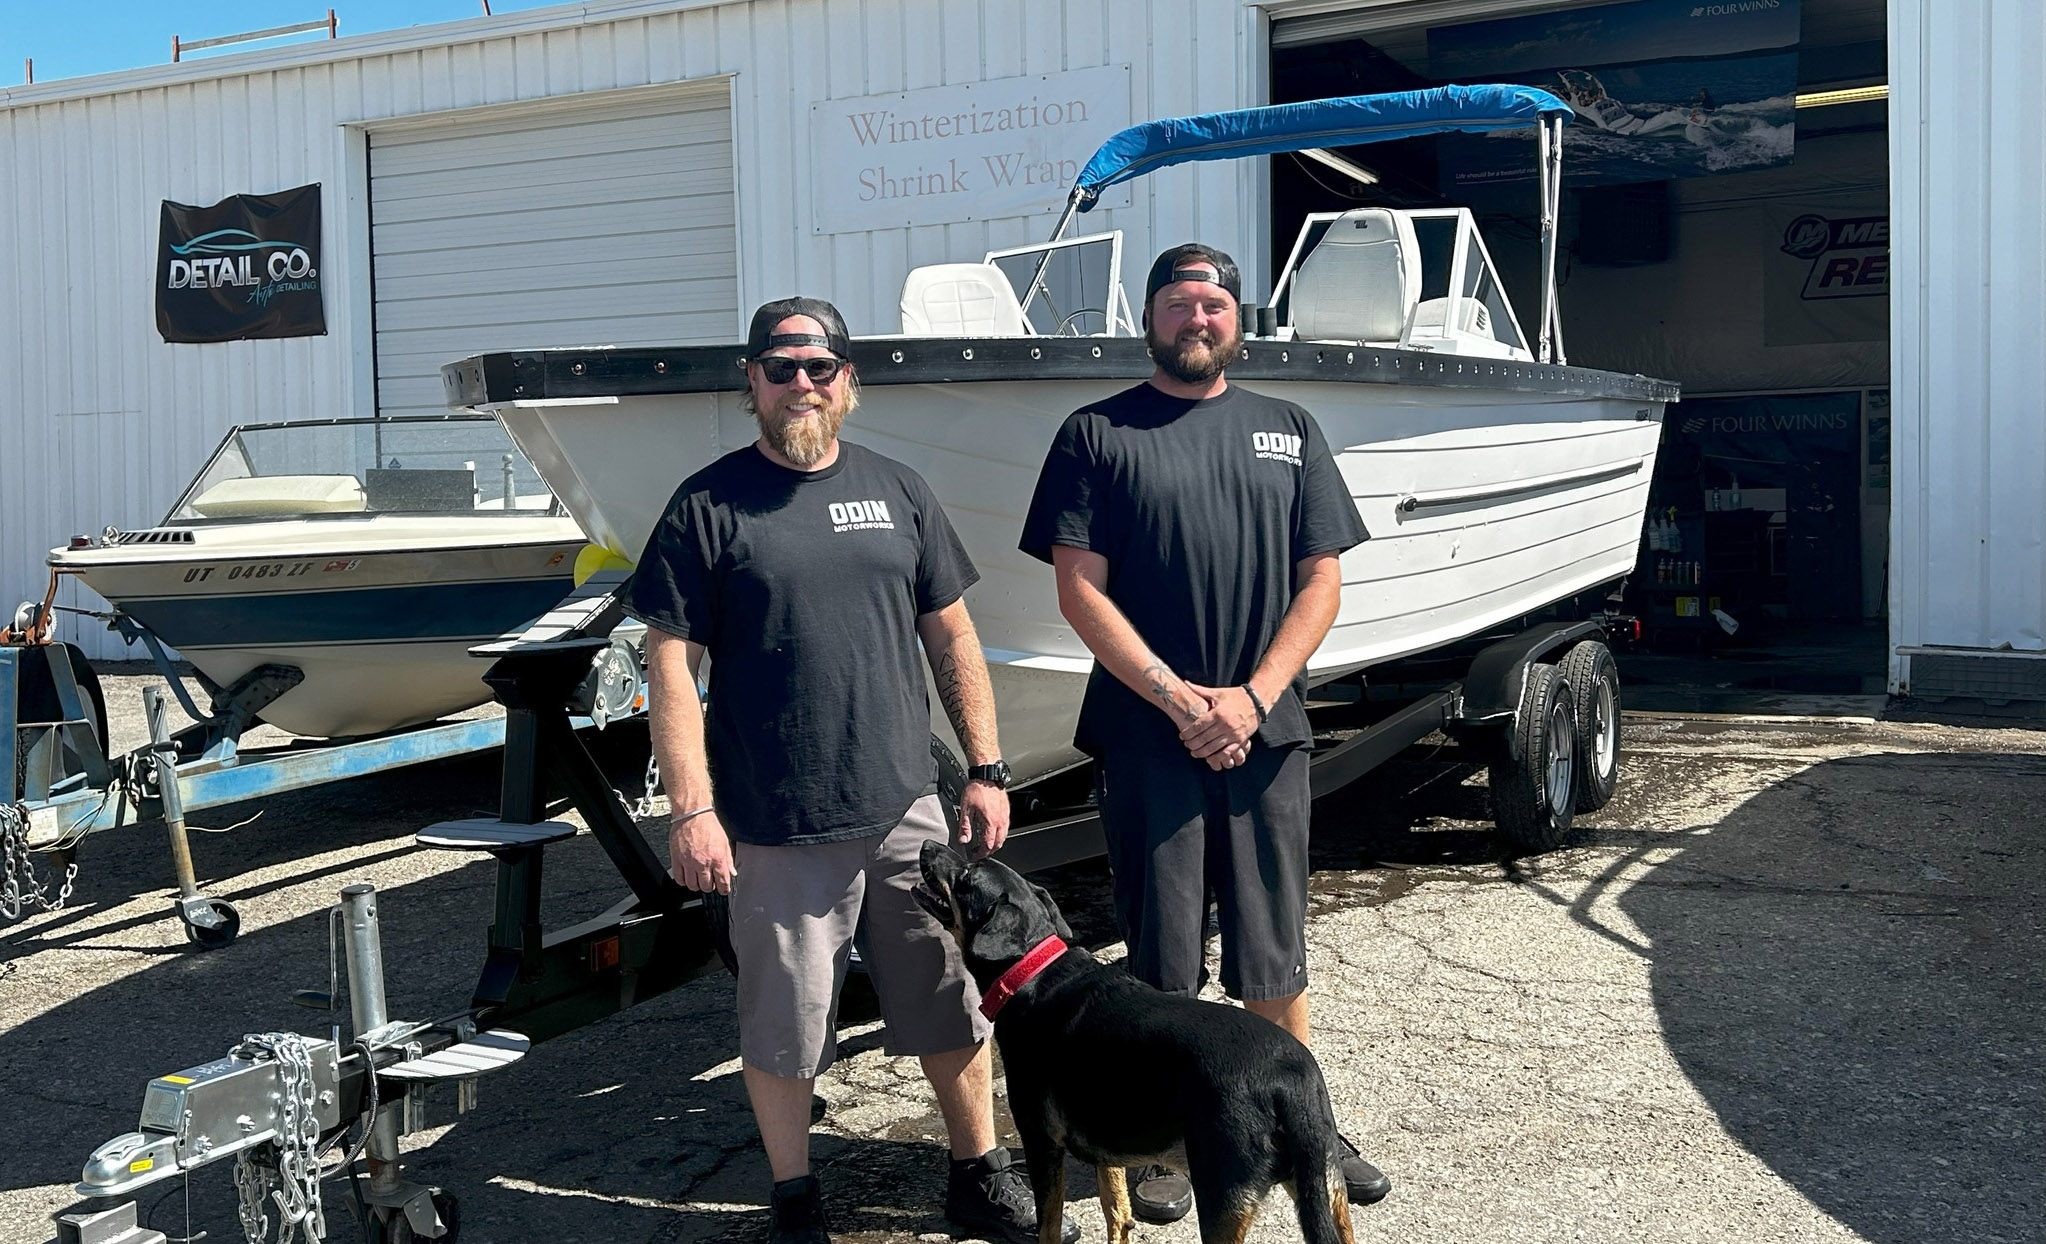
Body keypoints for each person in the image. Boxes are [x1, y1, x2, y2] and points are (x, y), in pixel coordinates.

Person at [628, 296, 1077, 1244]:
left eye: (820, 367)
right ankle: (795, 1199)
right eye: (780, 366)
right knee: (784, 1025)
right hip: (773, 823)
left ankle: (976, 1173)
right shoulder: (706, 505)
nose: (801, 383)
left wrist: (988, 769)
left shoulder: (898, 489)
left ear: (851, 385)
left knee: (951, 1003)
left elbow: (952, 634)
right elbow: (669, 663)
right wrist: (691, 810)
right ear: (750, 381)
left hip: (905, 804)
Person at [1018, 244, 1391, 1224]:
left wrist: (1253, 698)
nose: (1197, 318)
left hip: (1268, 736)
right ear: (1149, 318)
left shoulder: (1289, 428)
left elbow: (1322, 580)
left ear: (1239, 319)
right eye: (1179, 303)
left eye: (1214, 303)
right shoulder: (1095, 433)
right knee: (1162, 954)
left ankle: (1308, 1128)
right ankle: (1166, 1143)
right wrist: (1183, 700)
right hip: (1150, 739)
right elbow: (1076, 588)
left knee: (1276, 951)